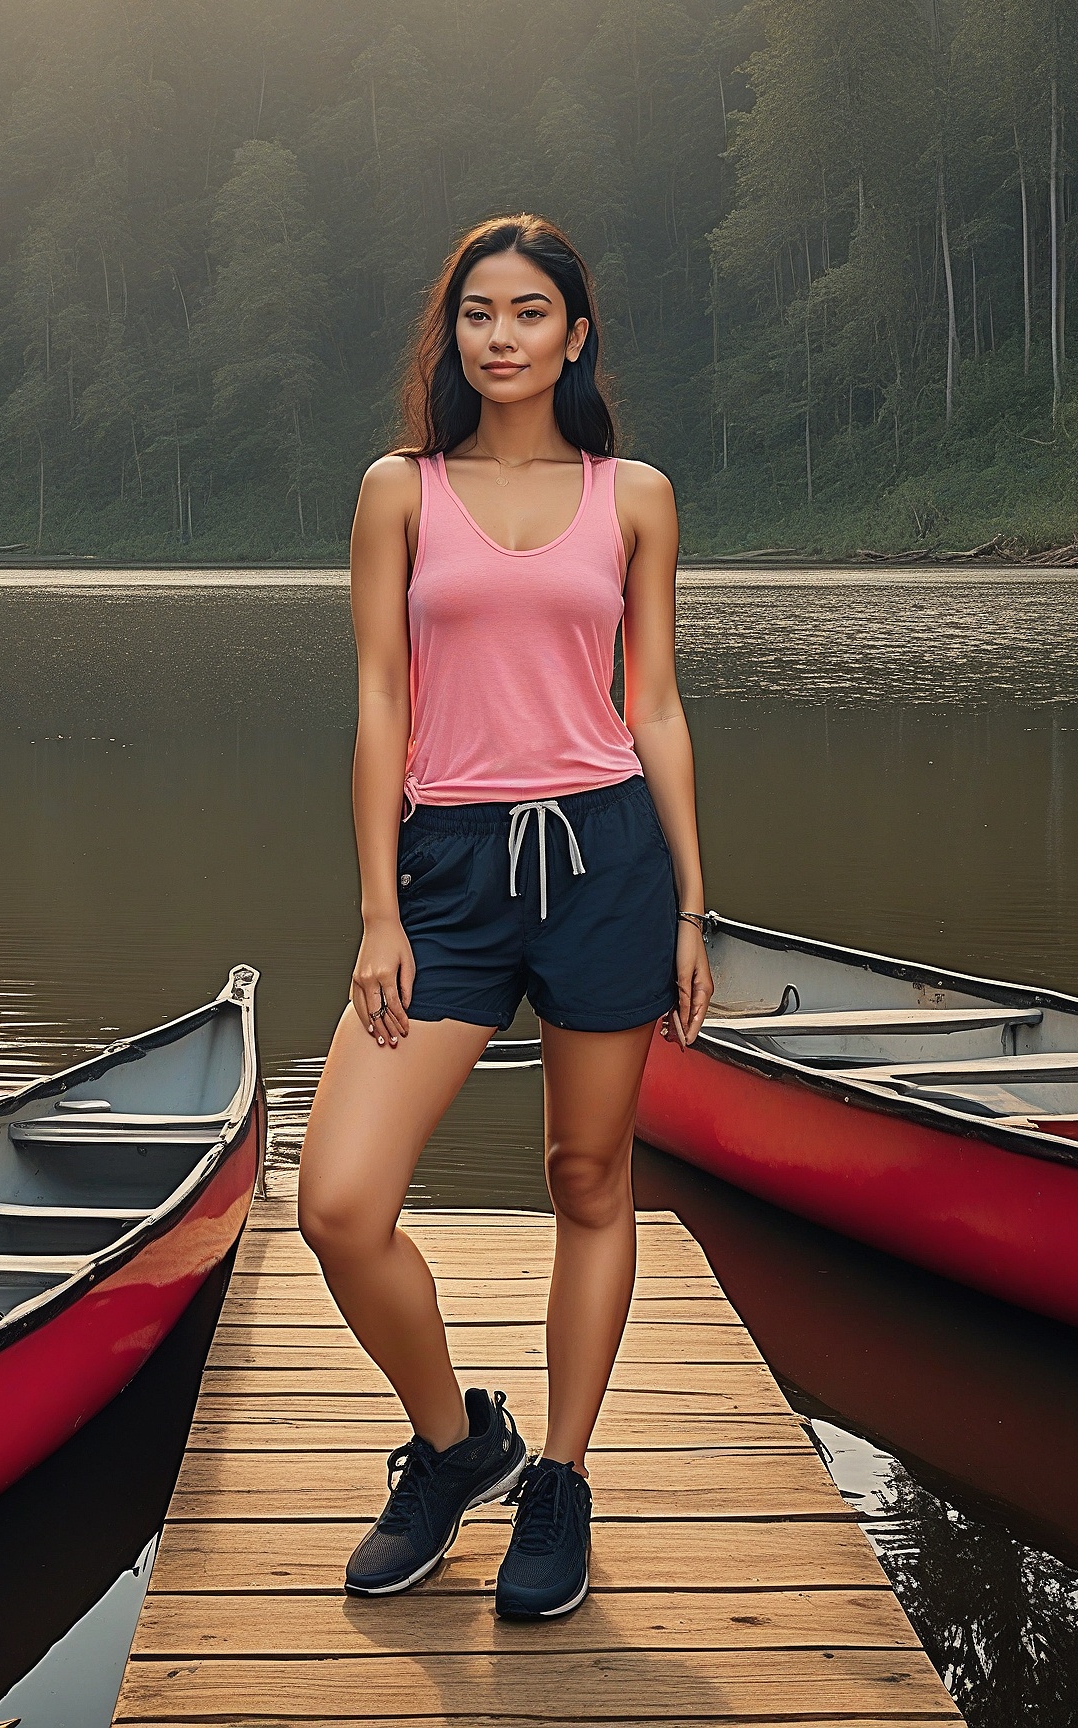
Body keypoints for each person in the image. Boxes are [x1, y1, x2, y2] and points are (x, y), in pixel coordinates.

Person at [296, 213, 714, 1622]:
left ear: (574, 333)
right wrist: (376, 910)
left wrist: (695, 906)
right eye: (478, 312)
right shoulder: (400, 491)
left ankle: (564, 1477)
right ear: (453, 334)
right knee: (341, 1204)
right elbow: (378, 703)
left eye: (530, 311)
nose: (501, 334)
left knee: (590, 1181)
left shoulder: (636, 495)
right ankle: (458, 1441)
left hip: (605, 862)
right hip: (450, 877)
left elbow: (651, 703)